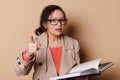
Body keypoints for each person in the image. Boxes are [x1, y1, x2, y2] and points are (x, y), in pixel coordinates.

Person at [14, 5, 89, 80]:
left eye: (62, 20)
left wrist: (84, 75)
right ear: (45, 24)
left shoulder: (73, 44)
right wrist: (28, 54)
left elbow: (77, 73)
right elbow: (19, 72)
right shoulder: (36, 43)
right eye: (54, 21)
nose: (59, 24)